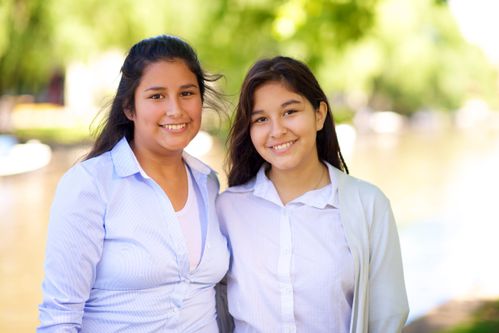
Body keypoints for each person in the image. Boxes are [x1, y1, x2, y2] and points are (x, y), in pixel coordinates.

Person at [38, 35, 230, 332]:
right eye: (156, 96)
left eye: (187, 93)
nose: (175, 109)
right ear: (129, 108)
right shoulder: (90, 185)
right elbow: (59, 317)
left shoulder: (208, 183)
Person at [216, 56, 409, 333]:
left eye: (290, 112)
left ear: (319, 115)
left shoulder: (368, 205)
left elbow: (387, 315)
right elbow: (215, 308)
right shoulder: (227, 209)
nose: (277, 130)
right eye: (261, 119)